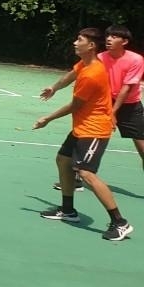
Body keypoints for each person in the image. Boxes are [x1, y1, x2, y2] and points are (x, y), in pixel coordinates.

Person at [35, 27, 132, 241]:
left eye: (79, 40)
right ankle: (68, 210)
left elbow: (75, 105)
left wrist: (47, 119)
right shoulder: (85, 64)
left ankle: (120, 222)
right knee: (63, 160)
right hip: (82, 127)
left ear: (91, 46)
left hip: (95, 130)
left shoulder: (92, 74)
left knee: (86, 173)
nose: (75, 43)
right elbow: (71, 74)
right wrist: (54, 87)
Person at [41, 24, 144, 182]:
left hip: (130, 106)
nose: (109, 39)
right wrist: (54, 87)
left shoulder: (136, 59)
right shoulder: (100, 58)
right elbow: (74, 73)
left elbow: (126, 88)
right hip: (103, 103)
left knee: (142, 148)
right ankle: (75, 179)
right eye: (108, 36)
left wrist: (113, 112)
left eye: (114, 37)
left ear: (124, 42)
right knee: (83, 136)